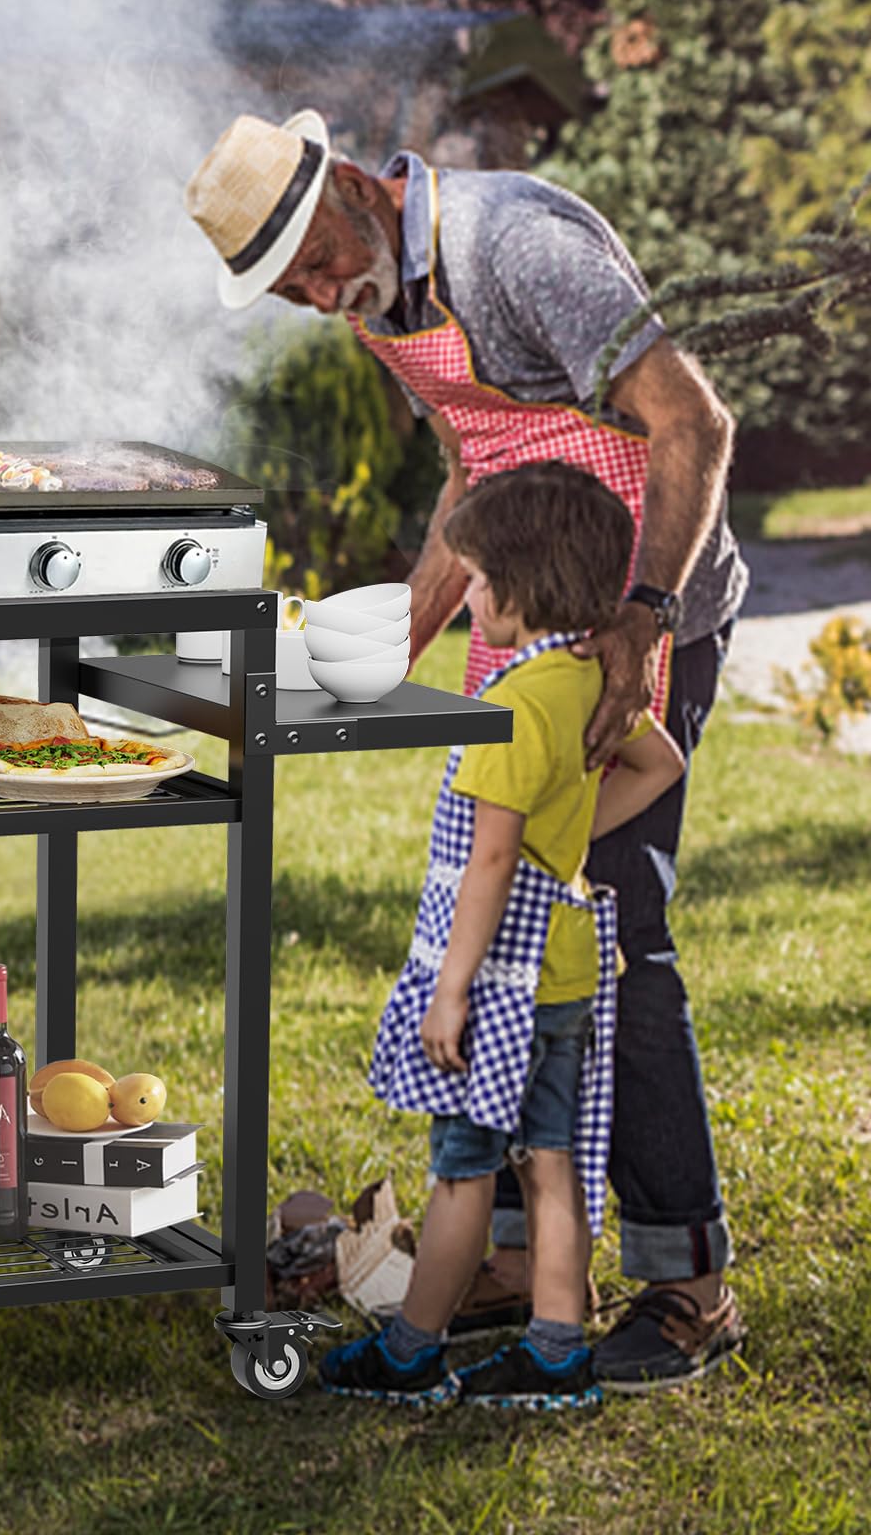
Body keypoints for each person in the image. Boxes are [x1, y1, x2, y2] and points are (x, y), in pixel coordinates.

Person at [186, 112, 750, 1389]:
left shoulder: (513, 246)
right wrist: (385, 645)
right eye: (292, 293)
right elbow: (472, 470)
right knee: (502, 941)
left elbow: (694, 426)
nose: (321, 299)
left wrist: (642, 621)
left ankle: (688, 1284)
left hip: (639, 609)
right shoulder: (384, 299)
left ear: (351, 187)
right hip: (533, 612)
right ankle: (511, 1256)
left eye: (316, 264)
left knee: (612, 929)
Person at [318, 464, 685, 1408]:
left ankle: (411, 1352)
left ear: (520, 585)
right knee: (551, 1162)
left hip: (496, 984)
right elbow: (661, 764)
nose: (470, 597)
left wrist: (451, 990)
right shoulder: (588, 681)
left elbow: (488, 861)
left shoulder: (514, 703)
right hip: (562, 973)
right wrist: (566, 846)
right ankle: (557, 1354)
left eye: (477, 578)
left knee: (462, 1171)